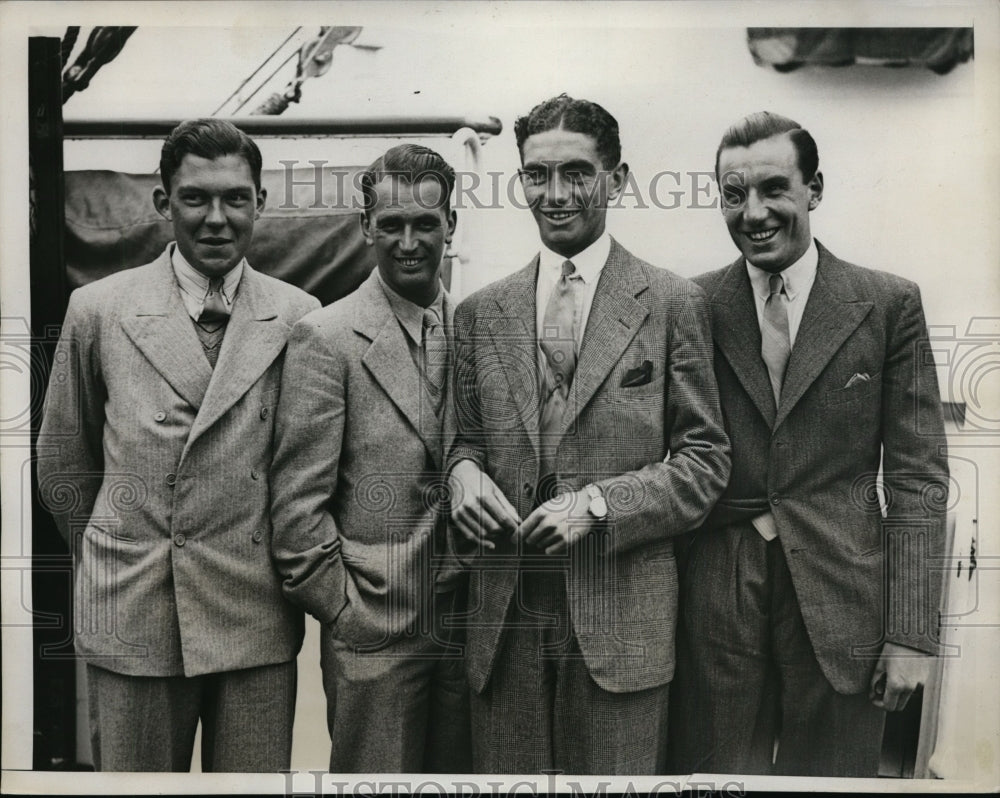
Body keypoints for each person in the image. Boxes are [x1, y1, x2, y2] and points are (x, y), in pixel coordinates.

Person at [446, 94, 730, 774]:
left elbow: (704, 463)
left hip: (622, 626)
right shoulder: (481, 312)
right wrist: (460, 476)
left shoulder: (670, 302)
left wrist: (597, 506)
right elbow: (465, 444)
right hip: (504, 624)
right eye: (537, 176)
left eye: (577, 173)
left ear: (618, 178)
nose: (556, 193)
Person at [669, 111, 949, 777]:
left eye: (774, 189)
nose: (753, 212)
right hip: (718, 595)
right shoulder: (690, 305)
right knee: (712, 780)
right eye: (733, 194)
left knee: (832, 786)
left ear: (814, 189)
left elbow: (918, 479)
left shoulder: (886, 305)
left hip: (842, 594)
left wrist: (910, 635)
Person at [36, 118, 320, 772]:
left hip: (254, 615)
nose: (216, 218)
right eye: (195, 198)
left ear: (260, 203)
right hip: (135, 614)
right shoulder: (99, 310)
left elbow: (309, 471)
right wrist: (123, 554)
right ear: (163, 204)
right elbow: (62, 463)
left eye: (235, 198)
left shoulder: (300, 316)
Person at [270, 143, 471, 773]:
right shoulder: (325, 338)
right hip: (374, 639)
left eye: (425, 224)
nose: (408, 242)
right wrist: (349, 613)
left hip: (470, 632)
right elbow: (297, 509)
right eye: (391, 225)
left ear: (451, 226)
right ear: (365, 228)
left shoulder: (477, 328)